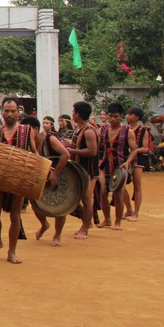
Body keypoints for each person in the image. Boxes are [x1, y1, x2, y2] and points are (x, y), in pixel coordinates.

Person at [0, 97, 39, 264]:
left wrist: (43, 170)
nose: (9, 114)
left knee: (15, 215)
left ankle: (12, 251)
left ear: (18, 112)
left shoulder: (26, 131)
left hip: (18, 179)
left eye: (13, 111)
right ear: (1, 112)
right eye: (6, 111)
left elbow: (34, 153)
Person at [31, 115, 71, 246]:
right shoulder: (27, 141)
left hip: (59, 173)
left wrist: (55, 174)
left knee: (60, 205)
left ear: (35, 129)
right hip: (41, 174)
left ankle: (57, 236)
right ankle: (44, 224)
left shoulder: (50, 138)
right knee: (34, 202)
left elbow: (66, 155)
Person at [97, 102, 135, 230]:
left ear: (121, 117)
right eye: (111, 116)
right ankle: (107, 219)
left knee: (118, 194)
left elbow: (134, 149)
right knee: (103, 192)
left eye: (116, 116)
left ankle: (118, 221)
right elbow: (97, 147)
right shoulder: (102, 130)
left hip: (120, 165)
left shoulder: (128, 131)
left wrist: (128, 162)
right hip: (104, 164)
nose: (113, 119)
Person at [67, 101, 99, 240]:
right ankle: (87, 222)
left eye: (73, 112)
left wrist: (72, 150)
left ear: (78, 114)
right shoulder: (79, 129)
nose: (72, 114)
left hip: (88, 170)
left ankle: (85, 228)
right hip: (78, 169)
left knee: (86, 200)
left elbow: (93, 151)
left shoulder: (89, 131)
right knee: (74, 198)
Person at [124, 106, 152, 221]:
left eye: (130, 114)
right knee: (120, 185)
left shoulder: (143, 130)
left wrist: (134, 150)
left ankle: (135, 213)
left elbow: (145, 148)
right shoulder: (125, 129)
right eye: (127, 114)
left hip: (139, 159)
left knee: (137, 185)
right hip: (126, 158)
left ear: (137, 117)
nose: (127, 116)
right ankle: (129, 209)